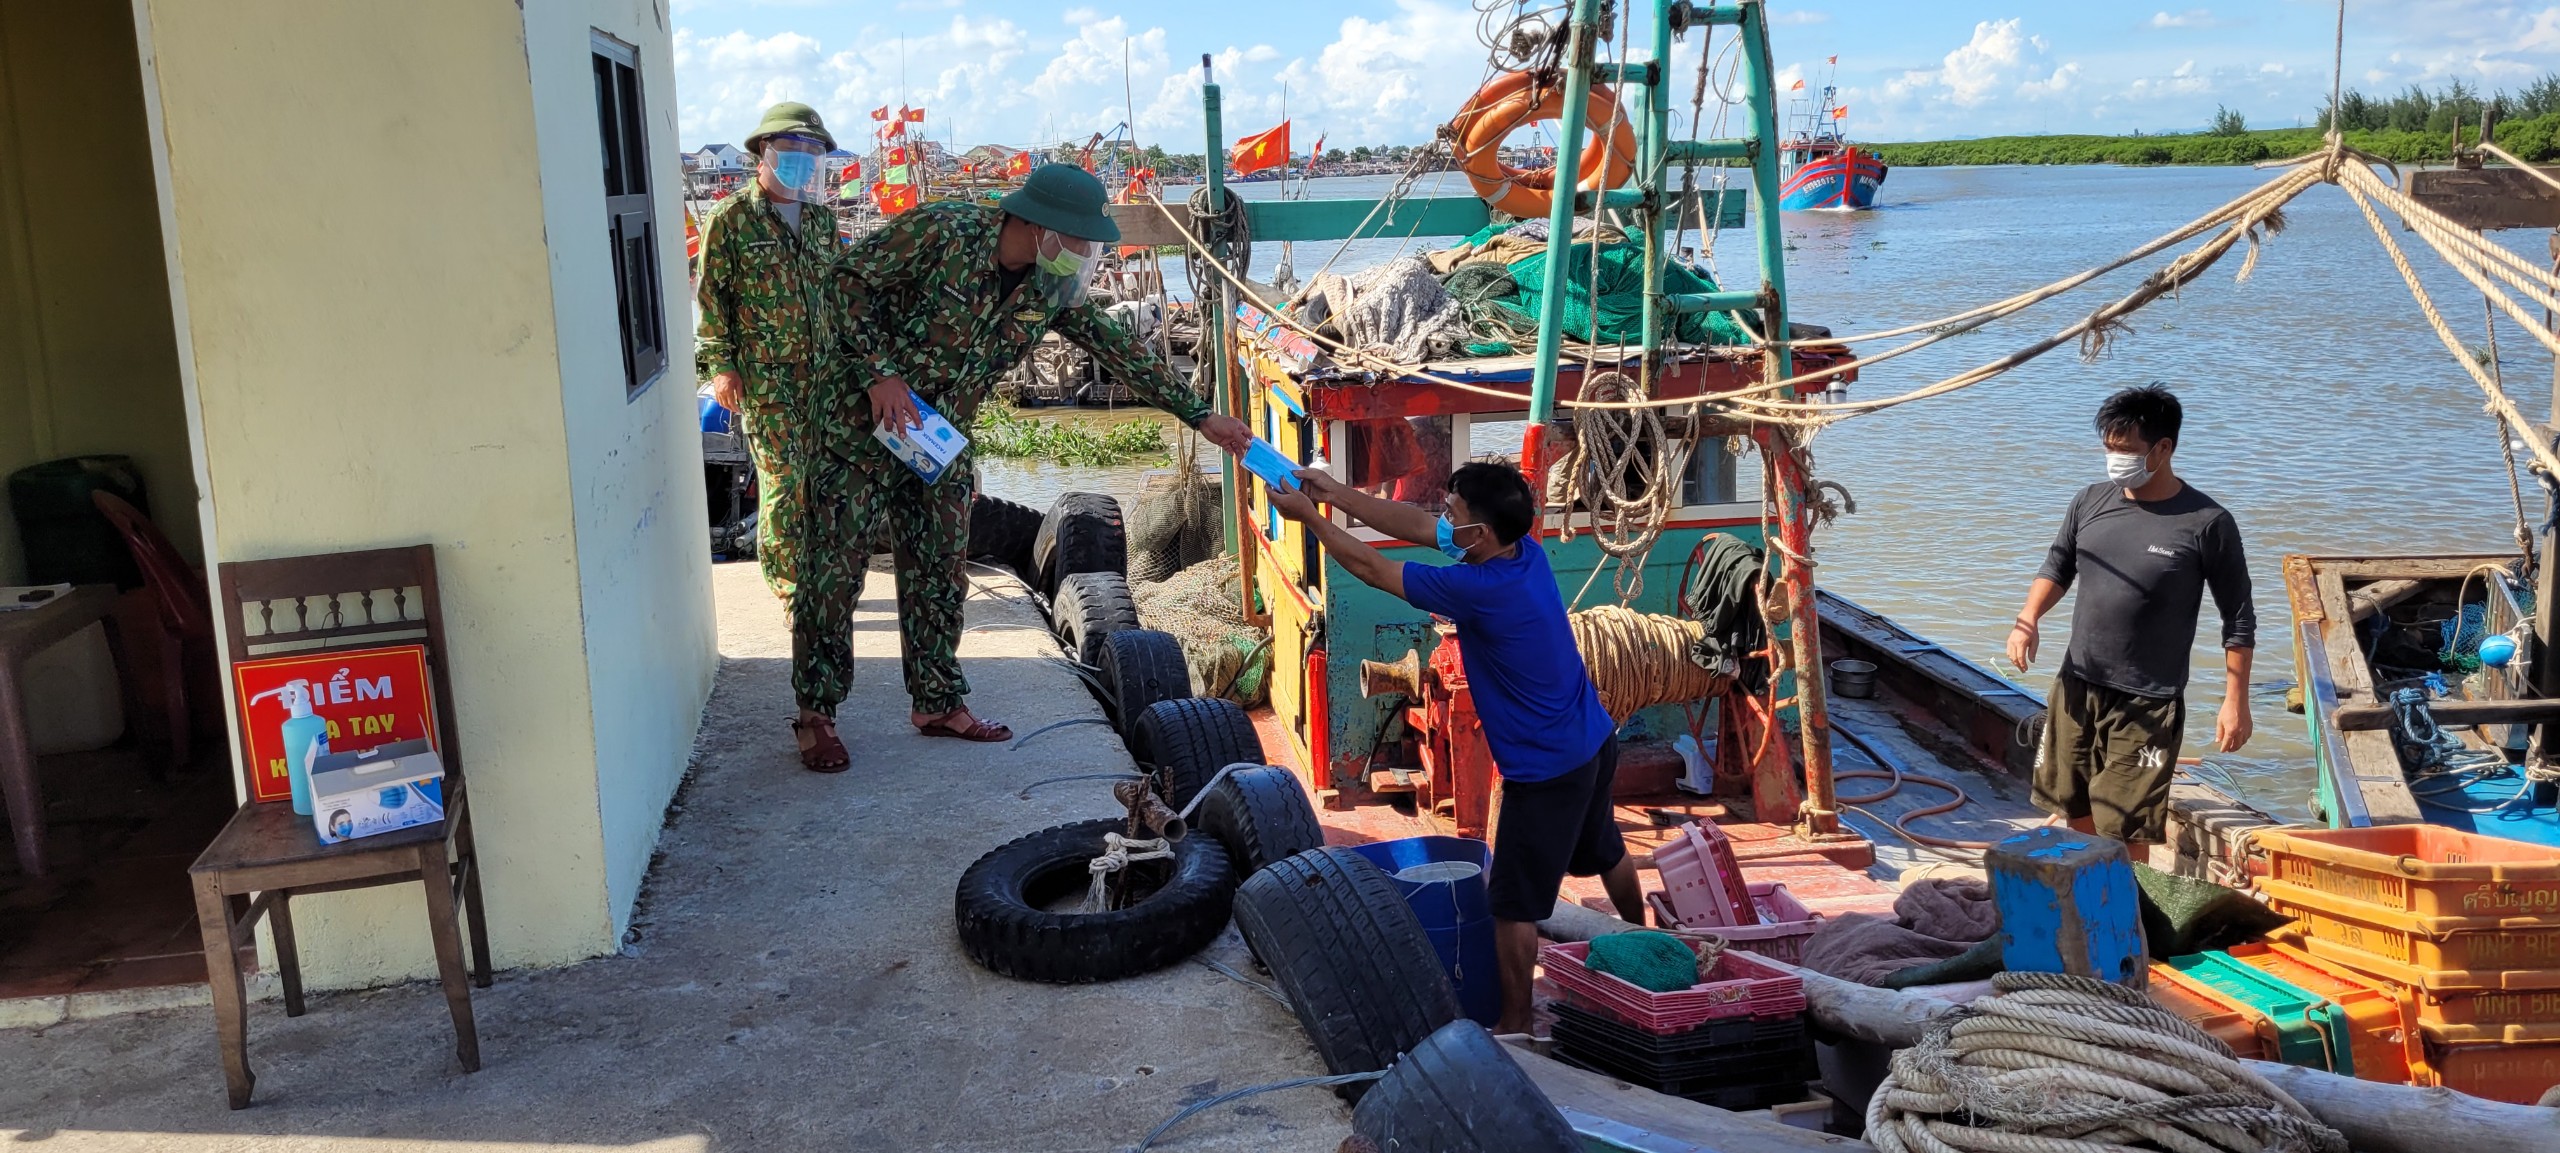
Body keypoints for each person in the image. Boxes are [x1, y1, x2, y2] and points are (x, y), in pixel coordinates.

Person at [791, 164, 1250, 770]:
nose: (1084, 252)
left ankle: (937, 702)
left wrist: (1197, 413)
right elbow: (841, 284)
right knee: (835, 568)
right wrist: (880, 372)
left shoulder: (1048, 285)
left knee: (938, 564)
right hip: (858, 426)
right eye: (1079, 238)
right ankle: (816, 715)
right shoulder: (943, 232)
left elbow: (1109, 343)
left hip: (937, 438)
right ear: (1036, 225)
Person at [1266, 461, 1640, 1035]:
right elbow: (1415, 525)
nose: (1444, 521)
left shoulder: (1477, 589)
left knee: (1512, 905)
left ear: (1480, 533)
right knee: (1604, 848)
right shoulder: (1523, 551)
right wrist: (1336, 492)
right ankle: (1647, 945)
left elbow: (1371, 567)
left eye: (1454, 515)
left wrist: (1311, 519)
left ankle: (1517, 1025)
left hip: (1545, 771)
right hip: (1593, 739)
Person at [2006, 384, 2255, 848]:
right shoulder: (2090, 501)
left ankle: (2122, 915)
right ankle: (2083, 907)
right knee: (2072, 808)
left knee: (2124, 826)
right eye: (2109, 448)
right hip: (2078, 683)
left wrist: (2235, 700)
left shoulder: (2207, 523)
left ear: (2163, 448)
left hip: (2148, 699)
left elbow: (2237, 616)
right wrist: (2029, 618)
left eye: (2126, 449)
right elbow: (2059, 564)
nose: (2115, 459)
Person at [695, 100, 839, 713]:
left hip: (827, 378)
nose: (803, 166)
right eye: (792, 154)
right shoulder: (731, 220)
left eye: (812, 155)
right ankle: (789, 591)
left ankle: (819, 577)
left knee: (824, 485)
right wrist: (722, 366)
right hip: (768, 378)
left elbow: (842, 293)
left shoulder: (825, 223)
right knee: (782, 484)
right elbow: (712, 300)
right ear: (762, 155)